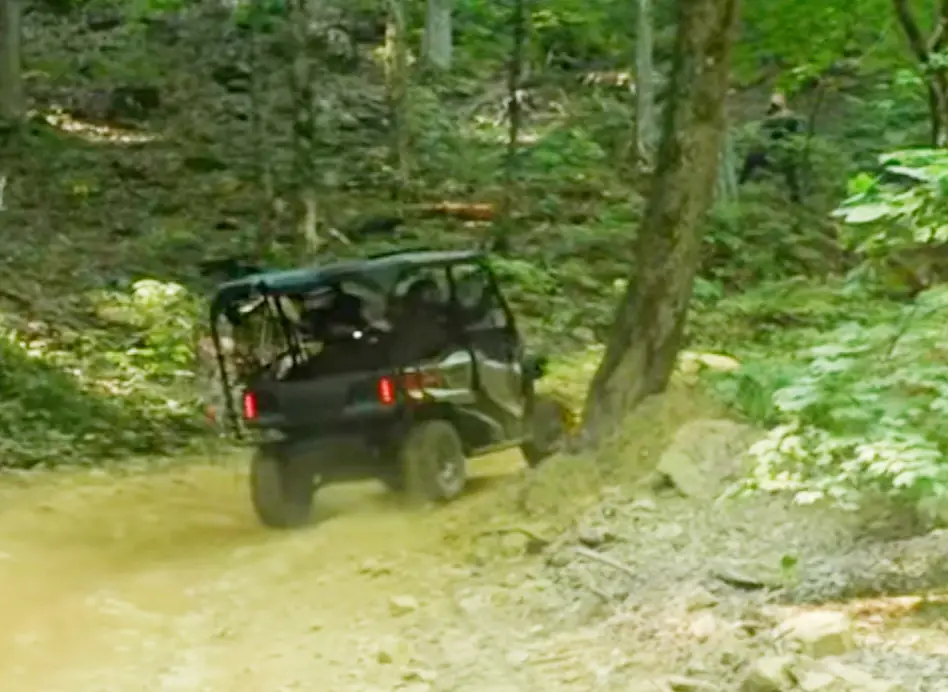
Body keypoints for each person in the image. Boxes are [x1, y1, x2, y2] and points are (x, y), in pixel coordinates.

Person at [738, 93, 805, 202]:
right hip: (773, 152)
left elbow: (797, 133)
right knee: (752, 159)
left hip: (783, 152)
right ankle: (741, 184)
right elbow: (763, 130)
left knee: (790, 170)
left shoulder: (789, 117)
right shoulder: (774, 117)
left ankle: (795, 195)